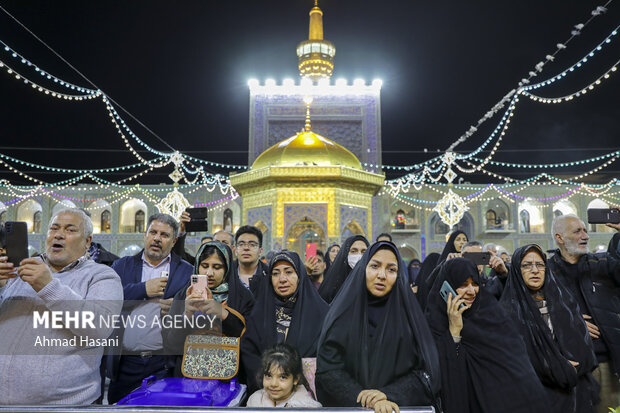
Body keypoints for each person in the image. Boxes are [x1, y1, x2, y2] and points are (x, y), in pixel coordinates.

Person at [0, 208, 123, 405]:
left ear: (87, 241)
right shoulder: (18, 272)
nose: (58, 234)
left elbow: (99, 328)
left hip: (66, 406)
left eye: (70, 230)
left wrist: (48, 286)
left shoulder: (102, 276)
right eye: (54, 228)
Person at [316, 241, 441, 412]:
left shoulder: (409, 317)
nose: (382, 275)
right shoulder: (342, 314)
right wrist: (366, 399)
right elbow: (329, 369)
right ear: (363, 270)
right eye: (374, 266)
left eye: (391, 269)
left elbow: (424, 372)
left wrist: (388, 395)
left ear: (399, 275)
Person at [426, 257, 550, 412]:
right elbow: (450, 372)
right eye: (463, 285)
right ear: (448, 287)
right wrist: (454, 333)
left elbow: (520, 368)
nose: (471, 291)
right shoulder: (437, 324)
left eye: (475, 284)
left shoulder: (493, 315)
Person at [500, 244, 599, 412]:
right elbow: (511, 360)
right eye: (526, 265)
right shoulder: (507, 312)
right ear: (516, 269)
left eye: (539, 264)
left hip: (574, 392)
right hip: (533, 396)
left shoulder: (564, 303)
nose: (534, 270)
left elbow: (585, 351)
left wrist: (568, 367)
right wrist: (556, 366)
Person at [107, 213, 193, 404]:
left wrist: (178, 309)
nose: (157, 238)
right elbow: (107, 300)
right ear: (145, 234)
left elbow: (194, 311)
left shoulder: (186, 271)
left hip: (164, 364)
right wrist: (143, 289)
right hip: (125, 363)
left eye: (164, 235)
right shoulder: (122, 266)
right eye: (153, 232)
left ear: (174, 241)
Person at [547, 214, 620, 412]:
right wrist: (569, 323)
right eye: (577, 231)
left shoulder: (603, 263)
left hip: (605, 364)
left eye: (585, 230)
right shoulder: (545, 273)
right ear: (559, 238)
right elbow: (529, 314)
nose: (585, 236)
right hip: (567, 367)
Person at [241, 250, 329, 392]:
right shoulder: (260, 312)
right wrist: (268, 384)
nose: (282, 279)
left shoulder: (321, 313)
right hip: (266, 392)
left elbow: (328, 357)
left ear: (299, 275)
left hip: (306, 394)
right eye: (275, 273)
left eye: (288, 272)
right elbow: (249, 352)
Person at [163, 241, 254, 375]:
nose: (209, 273)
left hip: (229, 375)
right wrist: (186, 315)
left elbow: (250, 341)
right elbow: (170, 345)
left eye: (217, 267)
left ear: (227, 268)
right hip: (188, 374)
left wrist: (223, 314)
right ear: (197, 266)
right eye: (204, 266)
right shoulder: (184, 295)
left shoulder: (242, 297)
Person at [247, 343, 322, 408]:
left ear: (295, 379)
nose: (273, 384)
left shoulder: (306, 407)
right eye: (268, 376)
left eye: (282, 377)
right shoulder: (255, 400)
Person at [318, 235, 369, 304]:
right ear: (346, 254)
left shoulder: (373, 281)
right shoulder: (334, 283)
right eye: (353, 251)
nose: (359, 255)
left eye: (364, 252)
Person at [233, 225, 268, 294]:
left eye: (252, 244)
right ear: (235, 250)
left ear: (260, 251)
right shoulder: (227, 274)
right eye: (241, 244)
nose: (246, 248)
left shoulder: (269, 275)